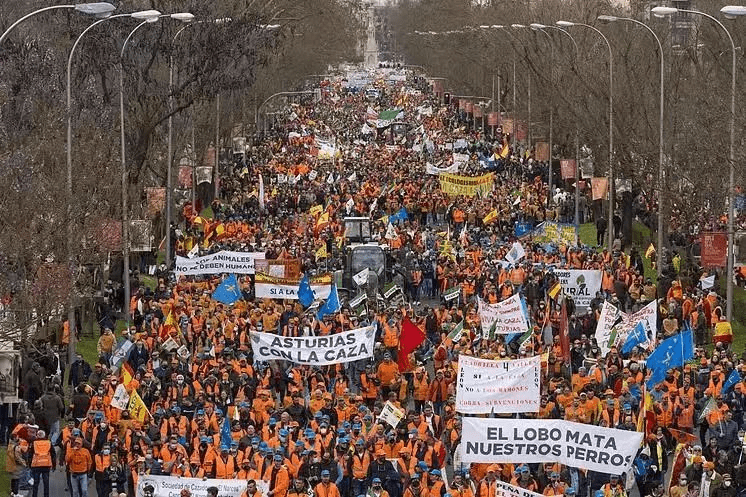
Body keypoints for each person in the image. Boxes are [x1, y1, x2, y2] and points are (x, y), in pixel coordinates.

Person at [28, 430, 56, 497]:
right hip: (46, 465)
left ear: (37, 435)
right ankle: (46, 495)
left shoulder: (34, 443)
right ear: (45, 435)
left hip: (36, 465)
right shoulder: (48, 443)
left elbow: (30, 455)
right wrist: (54, 465)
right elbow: (53, 454)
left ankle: (34, 495)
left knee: (36, 483)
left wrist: (29, 464)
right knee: (46, 483)